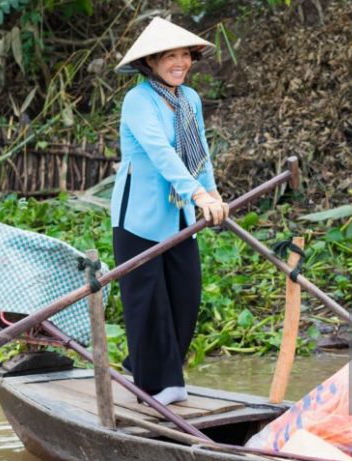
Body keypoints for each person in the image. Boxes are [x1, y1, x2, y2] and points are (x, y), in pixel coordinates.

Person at [111, 17, 228, 406]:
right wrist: (197, 194)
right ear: (151, 62)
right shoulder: (138, 101)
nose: (180, 63)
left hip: (178, 216)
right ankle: (156, 385)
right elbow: (161, 152)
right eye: (170, 57)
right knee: (147, 300)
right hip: (139, 216)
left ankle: (150, 367)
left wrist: (211, 193)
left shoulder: (189, 99)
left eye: (184, 56)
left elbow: (200, 152)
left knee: (186, 294)